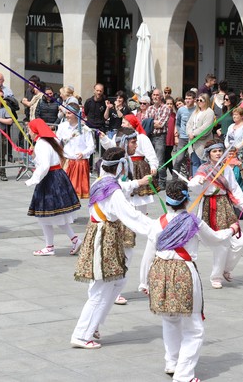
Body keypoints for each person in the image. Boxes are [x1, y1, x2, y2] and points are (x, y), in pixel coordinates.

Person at [138, 180, 240, 382]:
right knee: (194, 328)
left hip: (159, 270)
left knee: (169, 319)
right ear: (186, 200)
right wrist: (233, 229)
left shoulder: (157, 223)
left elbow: (148, 254)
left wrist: (144, 282)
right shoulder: (194, 222)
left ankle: (172, 362)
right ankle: (184, 374)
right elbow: (216, 239)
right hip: (184, 271)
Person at [70, 147, 153, 349]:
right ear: (119, 167)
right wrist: (156, 227)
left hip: (105, 235)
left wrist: (139, 182)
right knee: (102, 288)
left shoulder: (101, 182)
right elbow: (129, 215)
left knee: (117, 281)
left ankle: (94, 326)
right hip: (104, 237)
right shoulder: (113, 190)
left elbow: (120, 187)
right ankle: (81, 334)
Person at [188, 139, 243, 289]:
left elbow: (235, 189)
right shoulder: (203, 169)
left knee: (241, 242)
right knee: (221, 244)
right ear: (208, 154)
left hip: (225, 206)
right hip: (208, 206)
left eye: (219, 150)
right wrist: (199, 182)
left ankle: (226, 269)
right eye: (214, 151)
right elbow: (193, 185)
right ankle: (216, 276)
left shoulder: (226, 168)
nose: (217, 153)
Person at [26, 119, 83, 256]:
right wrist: (34, 156)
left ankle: (50, 246)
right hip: (58, 176)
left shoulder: (41, 143)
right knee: (55, 215)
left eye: (29, 130)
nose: (28, 132)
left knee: (45, 214)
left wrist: (33, 179)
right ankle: (72, 240)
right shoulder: (52, 140)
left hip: (49, 179)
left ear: (35, 131)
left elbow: (44, 165)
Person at [57, 97, 95, 199]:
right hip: (65, 161)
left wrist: (83, 153)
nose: (67, 115)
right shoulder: (62, 127)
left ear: (76, 114)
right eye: (66, 113)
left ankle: (71, 212)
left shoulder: (85, 129)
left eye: (69, 113)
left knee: (75, 191)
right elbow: (57, 141)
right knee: (63, 189)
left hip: (79, 162)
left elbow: (91, 146)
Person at [186, 93, 216, 176]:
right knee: (195, 163)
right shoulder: (195, 112)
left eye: (201, 100)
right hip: (193, 143)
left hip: (202, 143)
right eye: (197, 100)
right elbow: (189, 124)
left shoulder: (209, 112)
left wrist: (194, 133)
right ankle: (196, 183)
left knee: (204, 164)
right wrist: (189, 133)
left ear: (206, 101)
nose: (199, 102)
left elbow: (206, 127)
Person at [149, 88, 170, 189]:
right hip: (150, 136)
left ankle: (162, 181)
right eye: (154, 95)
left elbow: (161, 124)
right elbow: (145, 122)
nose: (155, 97)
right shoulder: (149, 108)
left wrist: (151, 123)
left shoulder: (165, 108)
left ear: (161, 96)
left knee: (160, 160)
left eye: (157, 95)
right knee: (151, 159)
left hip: (160, 137)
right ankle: (154, 180)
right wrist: (153, 123)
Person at [174, 91, 196, 177]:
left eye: (189, 99)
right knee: (178, 159)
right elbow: (178, 123)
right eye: (186, 98)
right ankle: (174, 179)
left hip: (194, 138)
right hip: (183, 138)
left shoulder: (197, 109)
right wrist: (178, 133)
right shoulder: (181, 110)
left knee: (192, 160)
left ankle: (191, 178)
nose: (187, 100)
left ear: (194, 99)